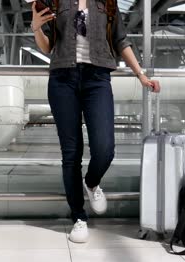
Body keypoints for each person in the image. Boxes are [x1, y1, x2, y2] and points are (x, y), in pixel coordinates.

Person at [31, 0, 160, 243]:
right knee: (71, 154)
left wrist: (141, 75)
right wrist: (36, 28)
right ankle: (79, 218)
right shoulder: (54, 2)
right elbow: (47, 47)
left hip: (97, 79)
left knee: (105, 149)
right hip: (62, 79)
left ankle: (91, 182)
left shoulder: (108, 3)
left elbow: (121, 40)